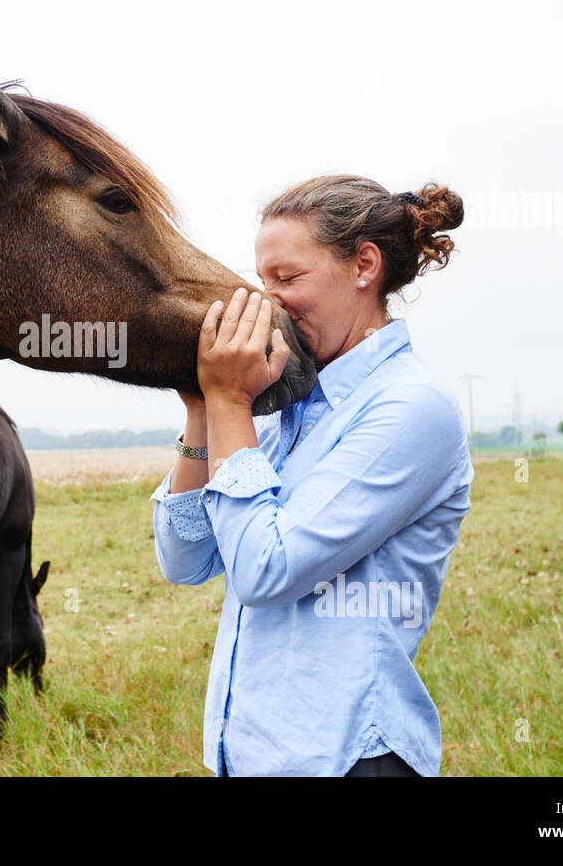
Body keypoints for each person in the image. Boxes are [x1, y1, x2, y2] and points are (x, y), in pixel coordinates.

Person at [151, 174, 473, 777]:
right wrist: (201, 410)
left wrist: (230, 405)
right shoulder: (286, 405)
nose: (266, 300)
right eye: (261, 279)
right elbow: (185, 560)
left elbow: (267, 570)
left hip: (348, 757)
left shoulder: (410, 409)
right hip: (254, 756)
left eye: (287, 278)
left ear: (364, 266)